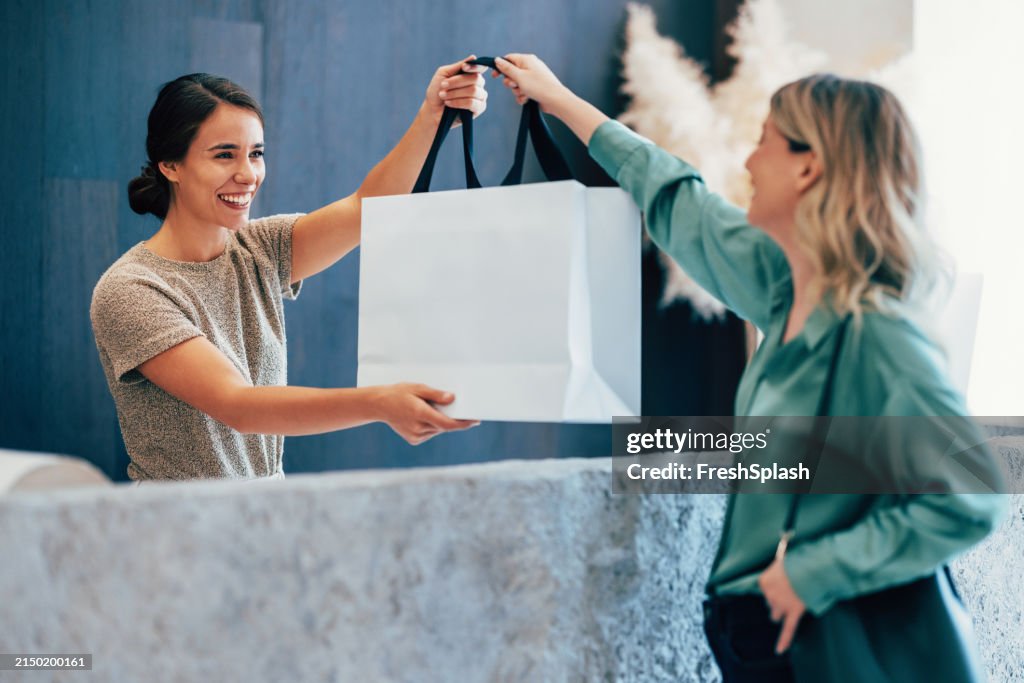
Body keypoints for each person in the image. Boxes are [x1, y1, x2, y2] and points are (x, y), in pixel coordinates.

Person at [489, 55, 1007, 680]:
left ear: (808, 167)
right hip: (755, 634)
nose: (749, 162)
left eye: (765, 142)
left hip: (818, 640)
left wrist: (815, 573)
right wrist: (559, 99)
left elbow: (972, 494)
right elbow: (677, 198)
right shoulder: (781, 287)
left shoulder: (878, 334)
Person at [91, 58, 488, 483]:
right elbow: (238, 405)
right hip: (182, 518)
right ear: (171, 165)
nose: (248, 174)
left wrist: (432, 116)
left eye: (256, 154)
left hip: (268, 510)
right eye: (224, 155)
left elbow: (367, 207)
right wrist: (379, 403)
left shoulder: (260, 247)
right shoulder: (132, 289)